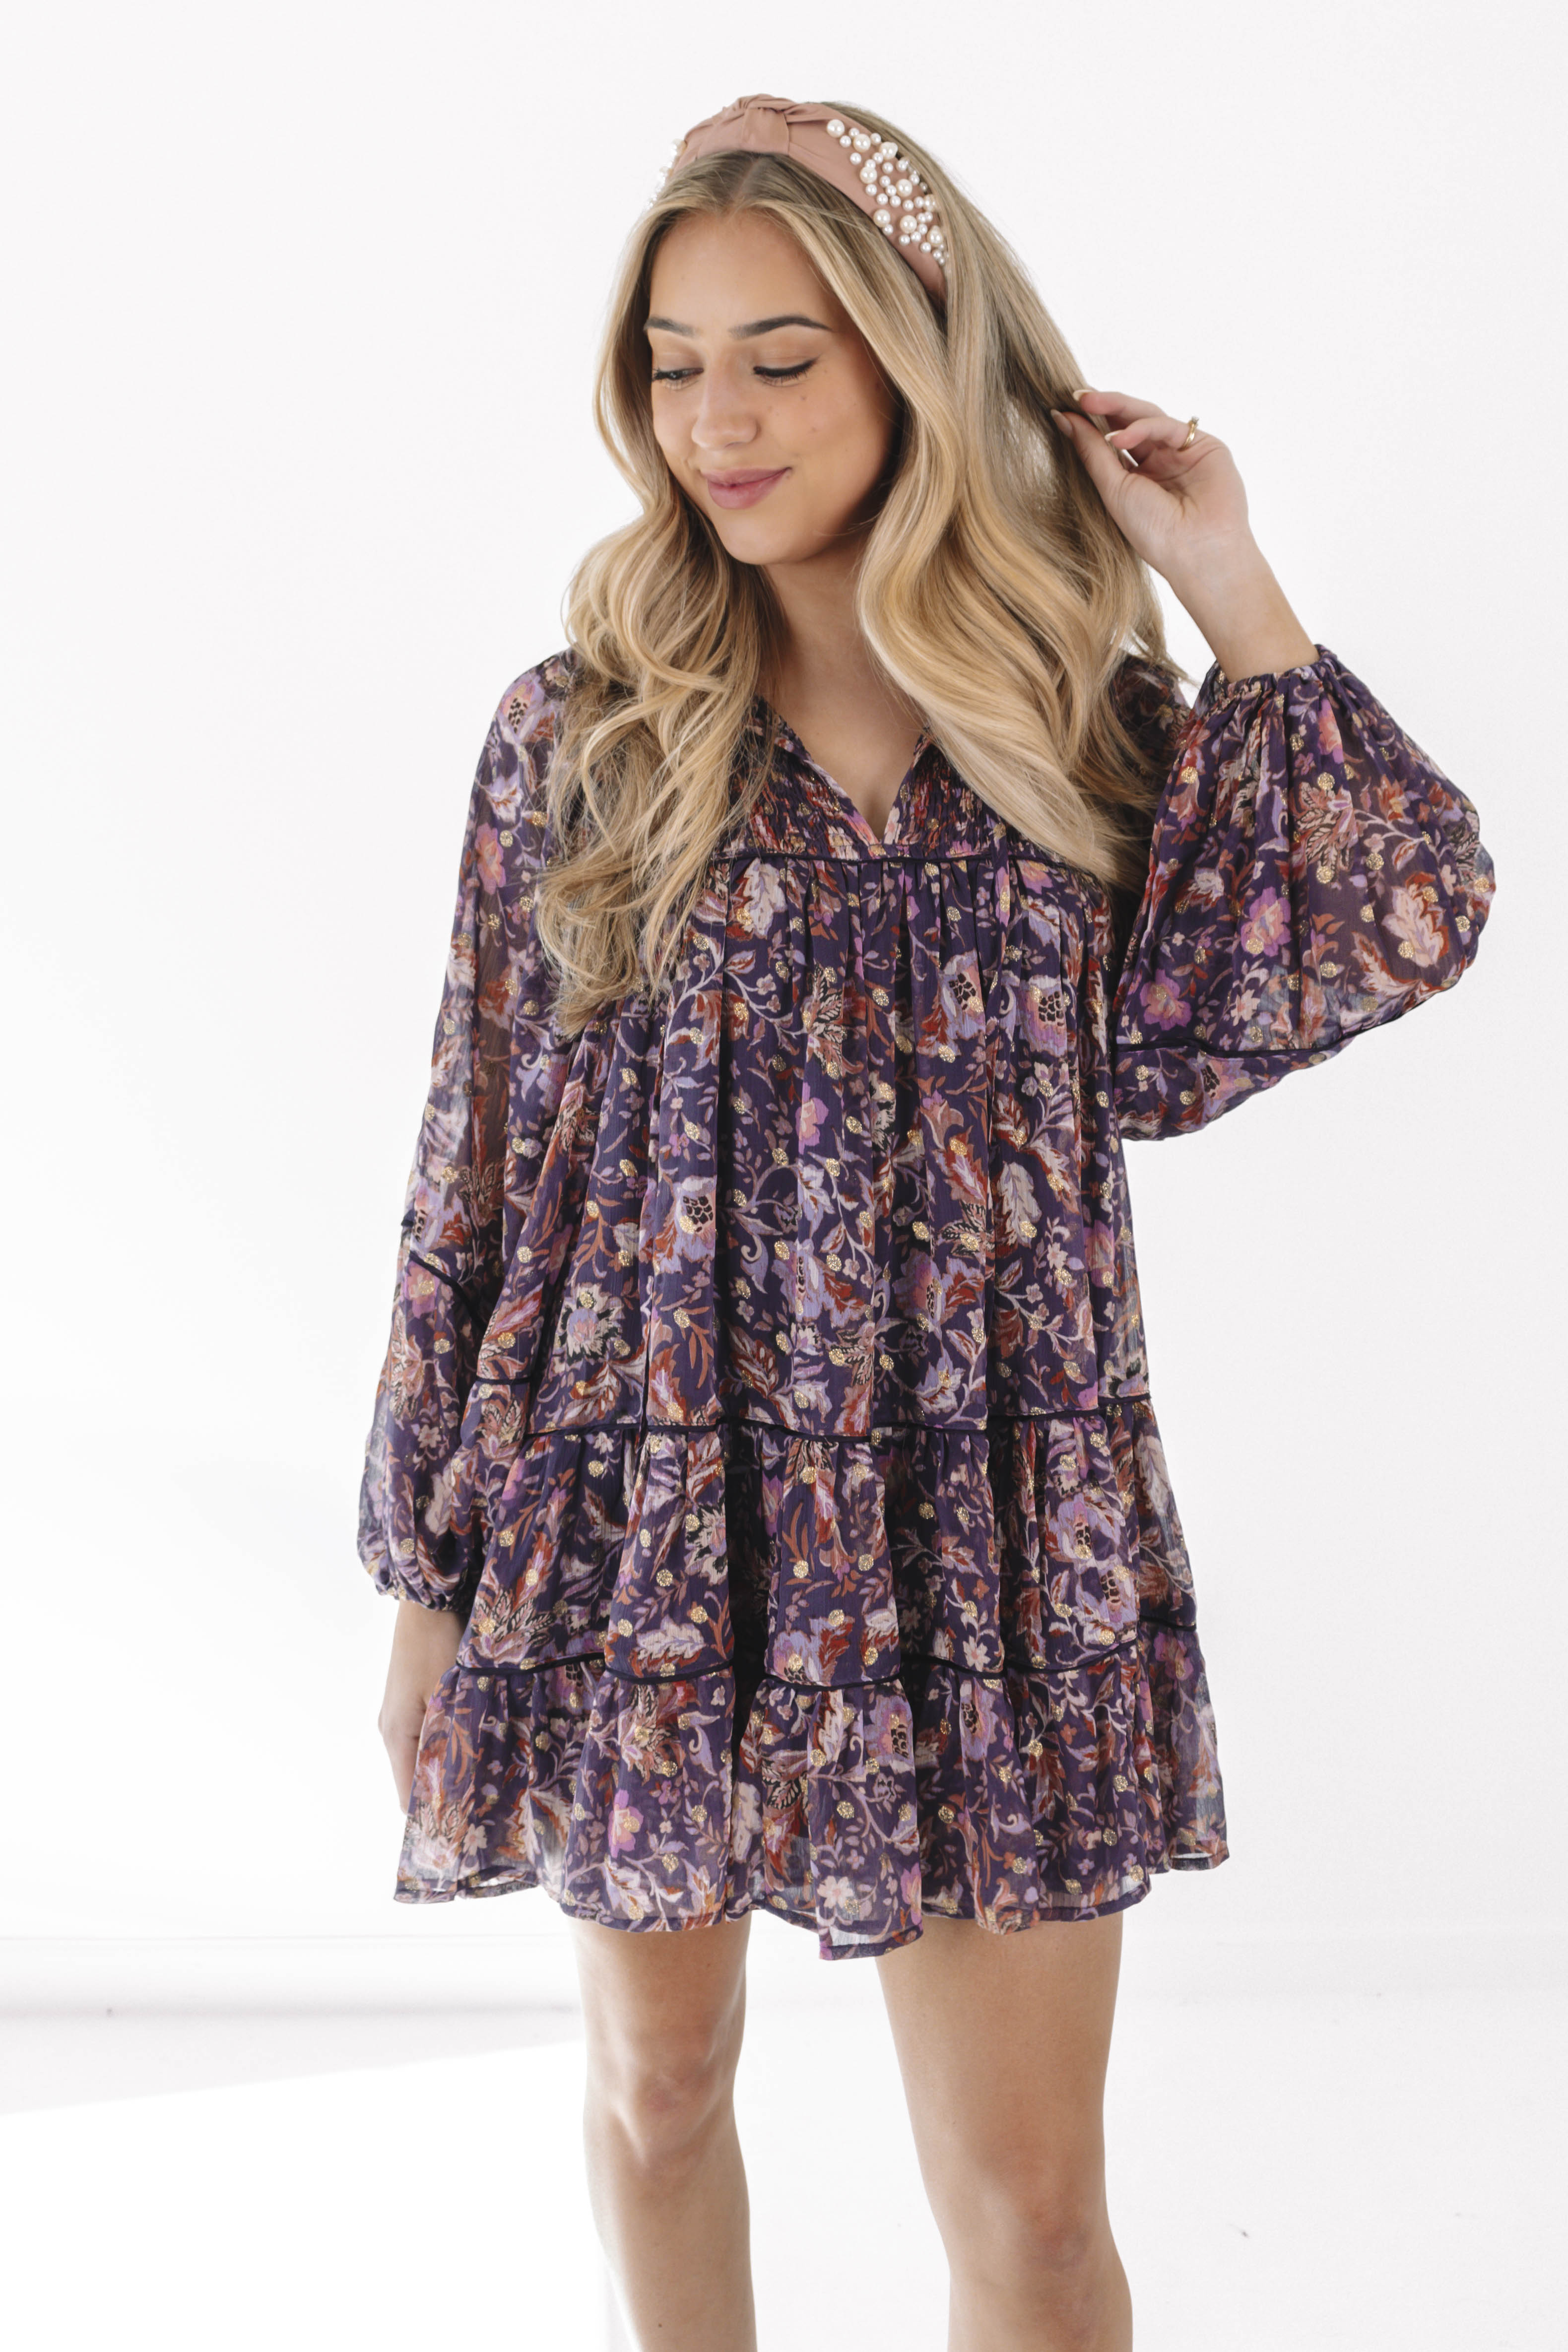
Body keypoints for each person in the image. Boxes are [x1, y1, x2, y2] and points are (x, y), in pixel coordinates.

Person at [356, 93, 1494, 2352]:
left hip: (997, 1530)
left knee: (1036, 2219)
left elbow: (1402, 906)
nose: (718, 420)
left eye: (781, 359)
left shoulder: (1084, 731)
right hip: (649, 1508)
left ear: (914, 358)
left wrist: (1229, 582)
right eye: (675, 364)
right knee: (660, 2089)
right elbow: (473, 1165)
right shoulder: (582, 735)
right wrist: (427, 1578)